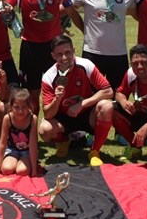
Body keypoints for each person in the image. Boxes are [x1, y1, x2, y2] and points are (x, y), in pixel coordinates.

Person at [5, 0, 72, 115]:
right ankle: (31, 126)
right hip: (30, 46)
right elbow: (7, 8)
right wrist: (8, 14)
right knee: (32, 91)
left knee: (58, 87)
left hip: (54, 47)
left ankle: (58, 125)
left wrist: (64, 22)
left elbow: (69, 7)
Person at [39, 35, 114, 167]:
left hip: (87, 114)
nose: (64, 58)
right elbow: (48, 115)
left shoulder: (86, 65)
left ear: (74, 50)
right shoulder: (48, 77)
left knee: (107, 106)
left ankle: (94, 151)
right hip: (63, 117)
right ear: (53, 56)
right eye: (59, 54)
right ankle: (64, 140)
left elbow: (108, 91)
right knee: (45, 131)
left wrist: (82, 104)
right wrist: (57, 99)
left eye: (67, 52)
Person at [69, 0, 136, 92]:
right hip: (93, 53)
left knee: (118, 96)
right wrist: (83, 28)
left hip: (118, 54)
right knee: (91, 94)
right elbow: (69, 8)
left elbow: (139, 16)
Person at [0, 88, 39, 177]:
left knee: (22, 171)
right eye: (16, 107)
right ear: (11, 107)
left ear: (29, 107)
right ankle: (14, 162)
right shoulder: (7, 118)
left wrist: (34, 170)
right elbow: (3, 143)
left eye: (24, 107)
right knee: (6, 169)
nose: (20, 111)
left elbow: (33, 145)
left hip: (27, 152)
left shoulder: (32, 119)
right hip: (12, 150)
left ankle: (24, 163)